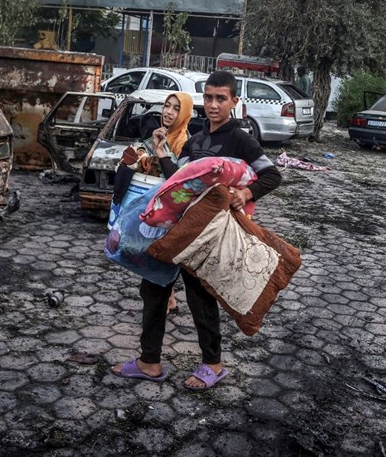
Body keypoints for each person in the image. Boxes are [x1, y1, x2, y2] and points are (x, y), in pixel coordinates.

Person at [111, 70, 282, 389]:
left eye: (221, 98)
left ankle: (213, 365)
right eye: (209, 98)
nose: (214, 104)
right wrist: (162, 153)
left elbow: (272, 175)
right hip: (180, 228)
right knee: (154, 287)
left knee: (200, 296)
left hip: (209, 234)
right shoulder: (197, 139)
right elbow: (179, 179)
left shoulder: (239, 138)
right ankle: (149, 362)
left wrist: (243, 194)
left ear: (234, 101)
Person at [115, 91, 194, 313]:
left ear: (185, 113)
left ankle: (163, 304)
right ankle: (169, 299)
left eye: (176, 108)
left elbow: (179, 178)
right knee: (153, 252)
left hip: (170, 208)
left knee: (159, 255)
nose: (169, 112)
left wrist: (161, 151)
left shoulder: (184, 143)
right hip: (154, 205)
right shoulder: (160, 135)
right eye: (167, 106)